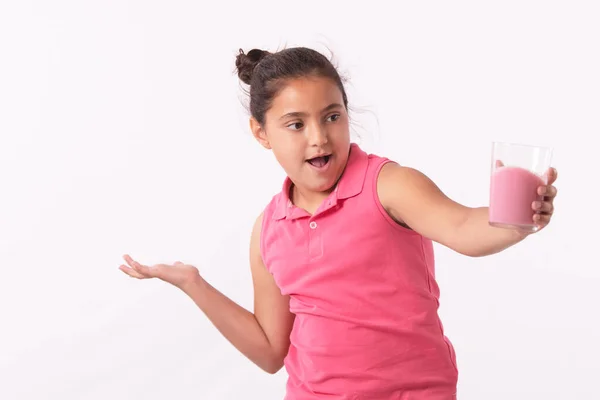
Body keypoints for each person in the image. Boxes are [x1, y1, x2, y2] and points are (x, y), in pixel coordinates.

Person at [119, 46, 559, 399]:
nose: (319, 136)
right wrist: (193, 282)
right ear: (261, 133)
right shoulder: (269, 229)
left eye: (332, 116)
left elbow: (464, 228)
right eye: (296, 124)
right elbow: (272, 351)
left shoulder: (388, 185)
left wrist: (516, 220)